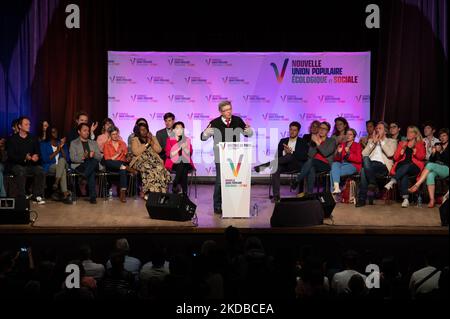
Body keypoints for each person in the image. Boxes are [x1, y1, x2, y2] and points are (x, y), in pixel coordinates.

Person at [200, 100, 253, 215]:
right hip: (221, 155)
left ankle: (234, 204)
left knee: (235, 181)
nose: (228, 112)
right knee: (220, 180)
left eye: (230, 109)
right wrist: (206, 133)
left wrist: (249, 131)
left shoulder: (237, 120)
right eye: (225, 110)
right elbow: (203, 138)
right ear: (220, 112)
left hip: (236, 155)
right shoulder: (214, 122)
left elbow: (247, 134)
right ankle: (217, 206)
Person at [254, 122, 309, 202]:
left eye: (295, 130)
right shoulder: (283, 140)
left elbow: (304, 157)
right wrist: (284, 152)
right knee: (275, 168)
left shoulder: (302, 142)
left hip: (296, 165)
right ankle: (276, 197)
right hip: (284, 164)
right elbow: (277, 156)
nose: (292, 132)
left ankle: (266, 165)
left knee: (290, 156)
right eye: (291, 129)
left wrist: (291, 152)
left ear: (298, 131)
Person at [355, 121, 397, 207]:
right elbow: (364, 154)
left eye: (380, 128)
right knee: (365, 160)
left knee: (364, 170)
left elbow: (390, 153)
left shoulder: (392, 141)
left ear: (385, 131)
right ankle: (372, 183)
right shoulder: (371, 140)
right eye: (377, 128)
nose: (377, 130)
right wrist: (373, 142)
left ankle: (362, 199)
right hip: (370, 165)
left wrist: (381, 141)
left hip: (383, 166)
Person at [6, 116, 46, 204]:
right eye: (26, 124)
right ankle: (22, 196)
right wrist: (24, 157)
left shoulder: (33, 138)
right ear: (20, 126)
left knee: (40, 171)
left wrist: (36, 157)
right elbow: (11, 156)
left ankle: (37, 196)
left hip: (30, 165)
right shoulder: (12, 139)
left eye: (29, 124)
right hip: (16, 165)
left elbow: (38, 152)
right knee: (21, 171)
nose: (29, 126)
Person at [384, 126, 425, 208]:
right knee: (404, 174)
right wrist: (401, 152)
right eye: (408, 132)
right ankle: (405, 199)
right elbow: (395, 158)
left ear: (415, 134)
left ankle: (393, 181)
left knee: (407, 167)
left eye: (411, 132)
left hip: (414, 167)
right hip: (402, 166)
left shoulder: (420, 143)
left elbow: (422, 157)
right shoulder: (402, 143)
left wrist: (415, 152)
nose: (408, 134)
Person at [409, 128, 449, 208]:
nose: (442, 138)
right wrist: (434, 153)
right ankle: (432, 200)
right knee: (430, 175)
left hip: (447, 168)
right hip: (437, 168)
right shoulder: (438, 145)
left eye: (444, 136)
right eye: (440, 136)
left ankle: (417, 185)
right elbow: (431, 160)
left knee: (430, 165)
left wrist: (441, 152)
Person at [129, 123, 171, 199]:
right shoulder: (135, 139)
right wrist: (147, 143)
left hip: (153, 159)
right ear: (138, 131)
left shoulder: (153, 138)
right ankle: (148, 192)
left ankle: (159, 193)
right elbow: (136, 152)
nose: (144, 131)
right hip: (140, 160)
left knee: (160, 168)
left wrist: (151, 142)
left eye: (145, 129)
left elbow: (159, 150)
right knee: (150, 170)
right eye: (142, 130)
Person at [296, 121, 336, 195]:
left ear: (328, 131)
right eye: (320, 128)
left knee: (312, 162)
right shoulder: (314, 140)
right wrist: (314, 142)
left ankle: (297, 180)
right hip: (314, 163)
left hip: (326, 164)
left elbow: (326, 153)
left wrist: (318, 143)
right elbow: (310, 154)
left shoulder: (332, 141)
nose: (321, 130)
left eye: (324, 129)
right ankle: (309, 194)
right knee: (311, 168)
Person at [69, 123, 102, 204]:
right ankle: (93, 197)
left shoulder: (93, 143)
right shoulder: (74, 143)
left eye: (88, 131)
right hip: (80, 165)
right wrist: (83, 157)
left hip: (92, 164)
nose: (87, 132)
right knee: (91, 171)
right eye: (84, 130)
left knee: (93, 161)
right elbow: (72, 158)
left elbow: (100, 157)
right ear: (79, 132)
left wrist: (93, 154)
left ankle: (84, 177)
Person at [39, 127, 72, 204]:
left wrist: (61, 148)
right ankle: (65, 193)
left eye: (56, 131)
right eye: (53, 132)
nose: (55, 133)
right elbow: (45, 159)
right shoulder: (43, 144)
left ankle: (56, 182)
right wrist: (57, 151)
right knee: (62, 170)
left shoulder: (61, 143)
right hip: (50, 166)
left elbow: (67, 158)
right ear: (49, 133)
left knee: (62, 160)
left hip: (62, 165)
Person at [164, 121, 194, 195]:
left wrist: (185, 148)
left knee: (183, 162)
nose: (179, 130)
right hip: (173, 163)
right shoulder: (169, 140)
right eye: (177, 128)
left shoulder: (186, 139)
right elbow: (169, 154)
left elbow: (189, 153)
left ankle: (175, 183)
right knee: (183, 167)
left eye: (181, 128)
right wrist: (179, 147)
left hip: (185, 162)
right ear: (174, 130)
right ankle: (184, 192)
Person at [103, 126, 131, 203]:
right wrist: (118, 154)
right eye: (113, 134)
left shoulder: (123, 143)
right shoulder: (106, 145)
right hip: (112, 165)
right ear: (110, 135)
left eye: (116, 134)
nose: (115, 136)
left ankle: (123, 194)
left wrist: (128, 156)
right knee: (108, 162)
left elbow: (126, 156)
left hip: (121, 163)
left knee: (122, 169)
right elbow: (108, 159)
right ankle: (125, 167)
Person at [330, 128, 362, 194]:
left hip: (353, 165)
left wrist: (349, 153)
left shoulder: (357, 145)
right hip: (342, 164)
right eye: (347, 134)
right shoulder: (342, 144)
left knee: (332, 172)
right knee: (335, 164)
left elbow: (359, 159)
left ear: (354, 136)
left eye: (350, 134)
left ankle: (334, 191)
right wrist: (338, 153)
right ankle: (337, 188)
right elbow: (337, 160)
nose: (348, 136)